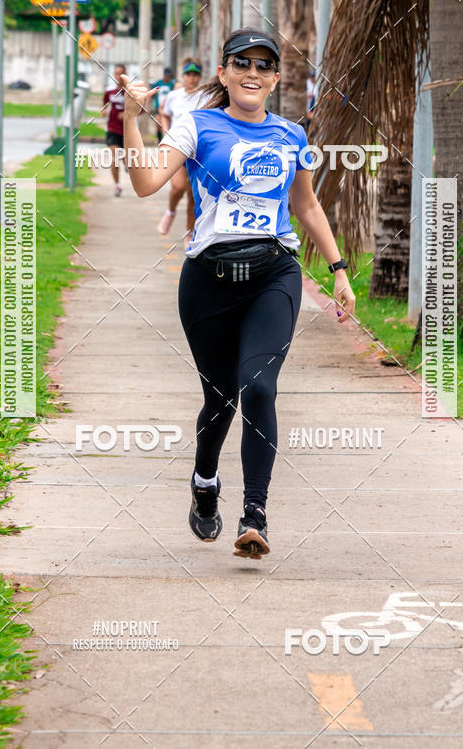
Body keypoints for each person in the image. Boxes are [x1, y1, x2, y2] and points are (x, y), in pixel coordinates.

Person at [121, 28, 356, 561]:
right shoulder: (196, 125)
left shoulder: (292, 135)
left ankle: (255, 515)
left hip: (274, 273)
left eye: (264, 65)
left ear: (276, 79)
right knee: (220, 396)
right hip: (208, 280)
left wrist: (339, 269)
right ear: (223, 73)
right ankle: (205, 481)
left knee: (260, 387)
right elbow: (144, 184)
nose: (253, 73)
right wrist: (133, 120)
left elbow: (307, 205)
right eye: (241, 63)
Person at [158, 58, 205, 248]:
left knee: (193, 195)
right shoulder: (174, 96)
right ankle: (170, 212)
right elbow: (164, 113)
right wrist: (167, 133)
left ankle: (190, 233)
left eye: (195, 75)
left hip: (198, 152)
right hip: (178, 148)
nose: (191, 78)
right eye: (188, 74)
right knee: (177, 187)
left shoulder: (206, 97)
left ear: (200, 77)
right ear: (183, 76)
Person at [102, 64, 127, 197]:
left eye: (121, 74)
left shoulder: (130, 92)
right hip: (112, 128)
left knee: (127, 157)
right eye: (116, 74)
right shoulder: (109, 91)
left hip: (127, 130)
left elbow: (141, 110)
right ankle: (117, 185)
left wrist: (126, 114)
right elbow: (104, 104)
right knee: (115, 156)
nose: (118, 77)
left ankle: (126, 163)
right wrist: (104, 110)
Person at [151, 67, 175, 141]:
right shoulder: (158, 83)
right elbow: (153, 93)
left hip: (168, 108)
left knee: (167, 125)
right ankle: (159, 140)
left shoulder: (172, 84)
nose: (167, 77)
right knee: (158, 123)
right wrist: (150, 105)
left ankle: (167, 140)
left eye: (169, 76)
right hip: (159, 107)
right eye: (166, 76)